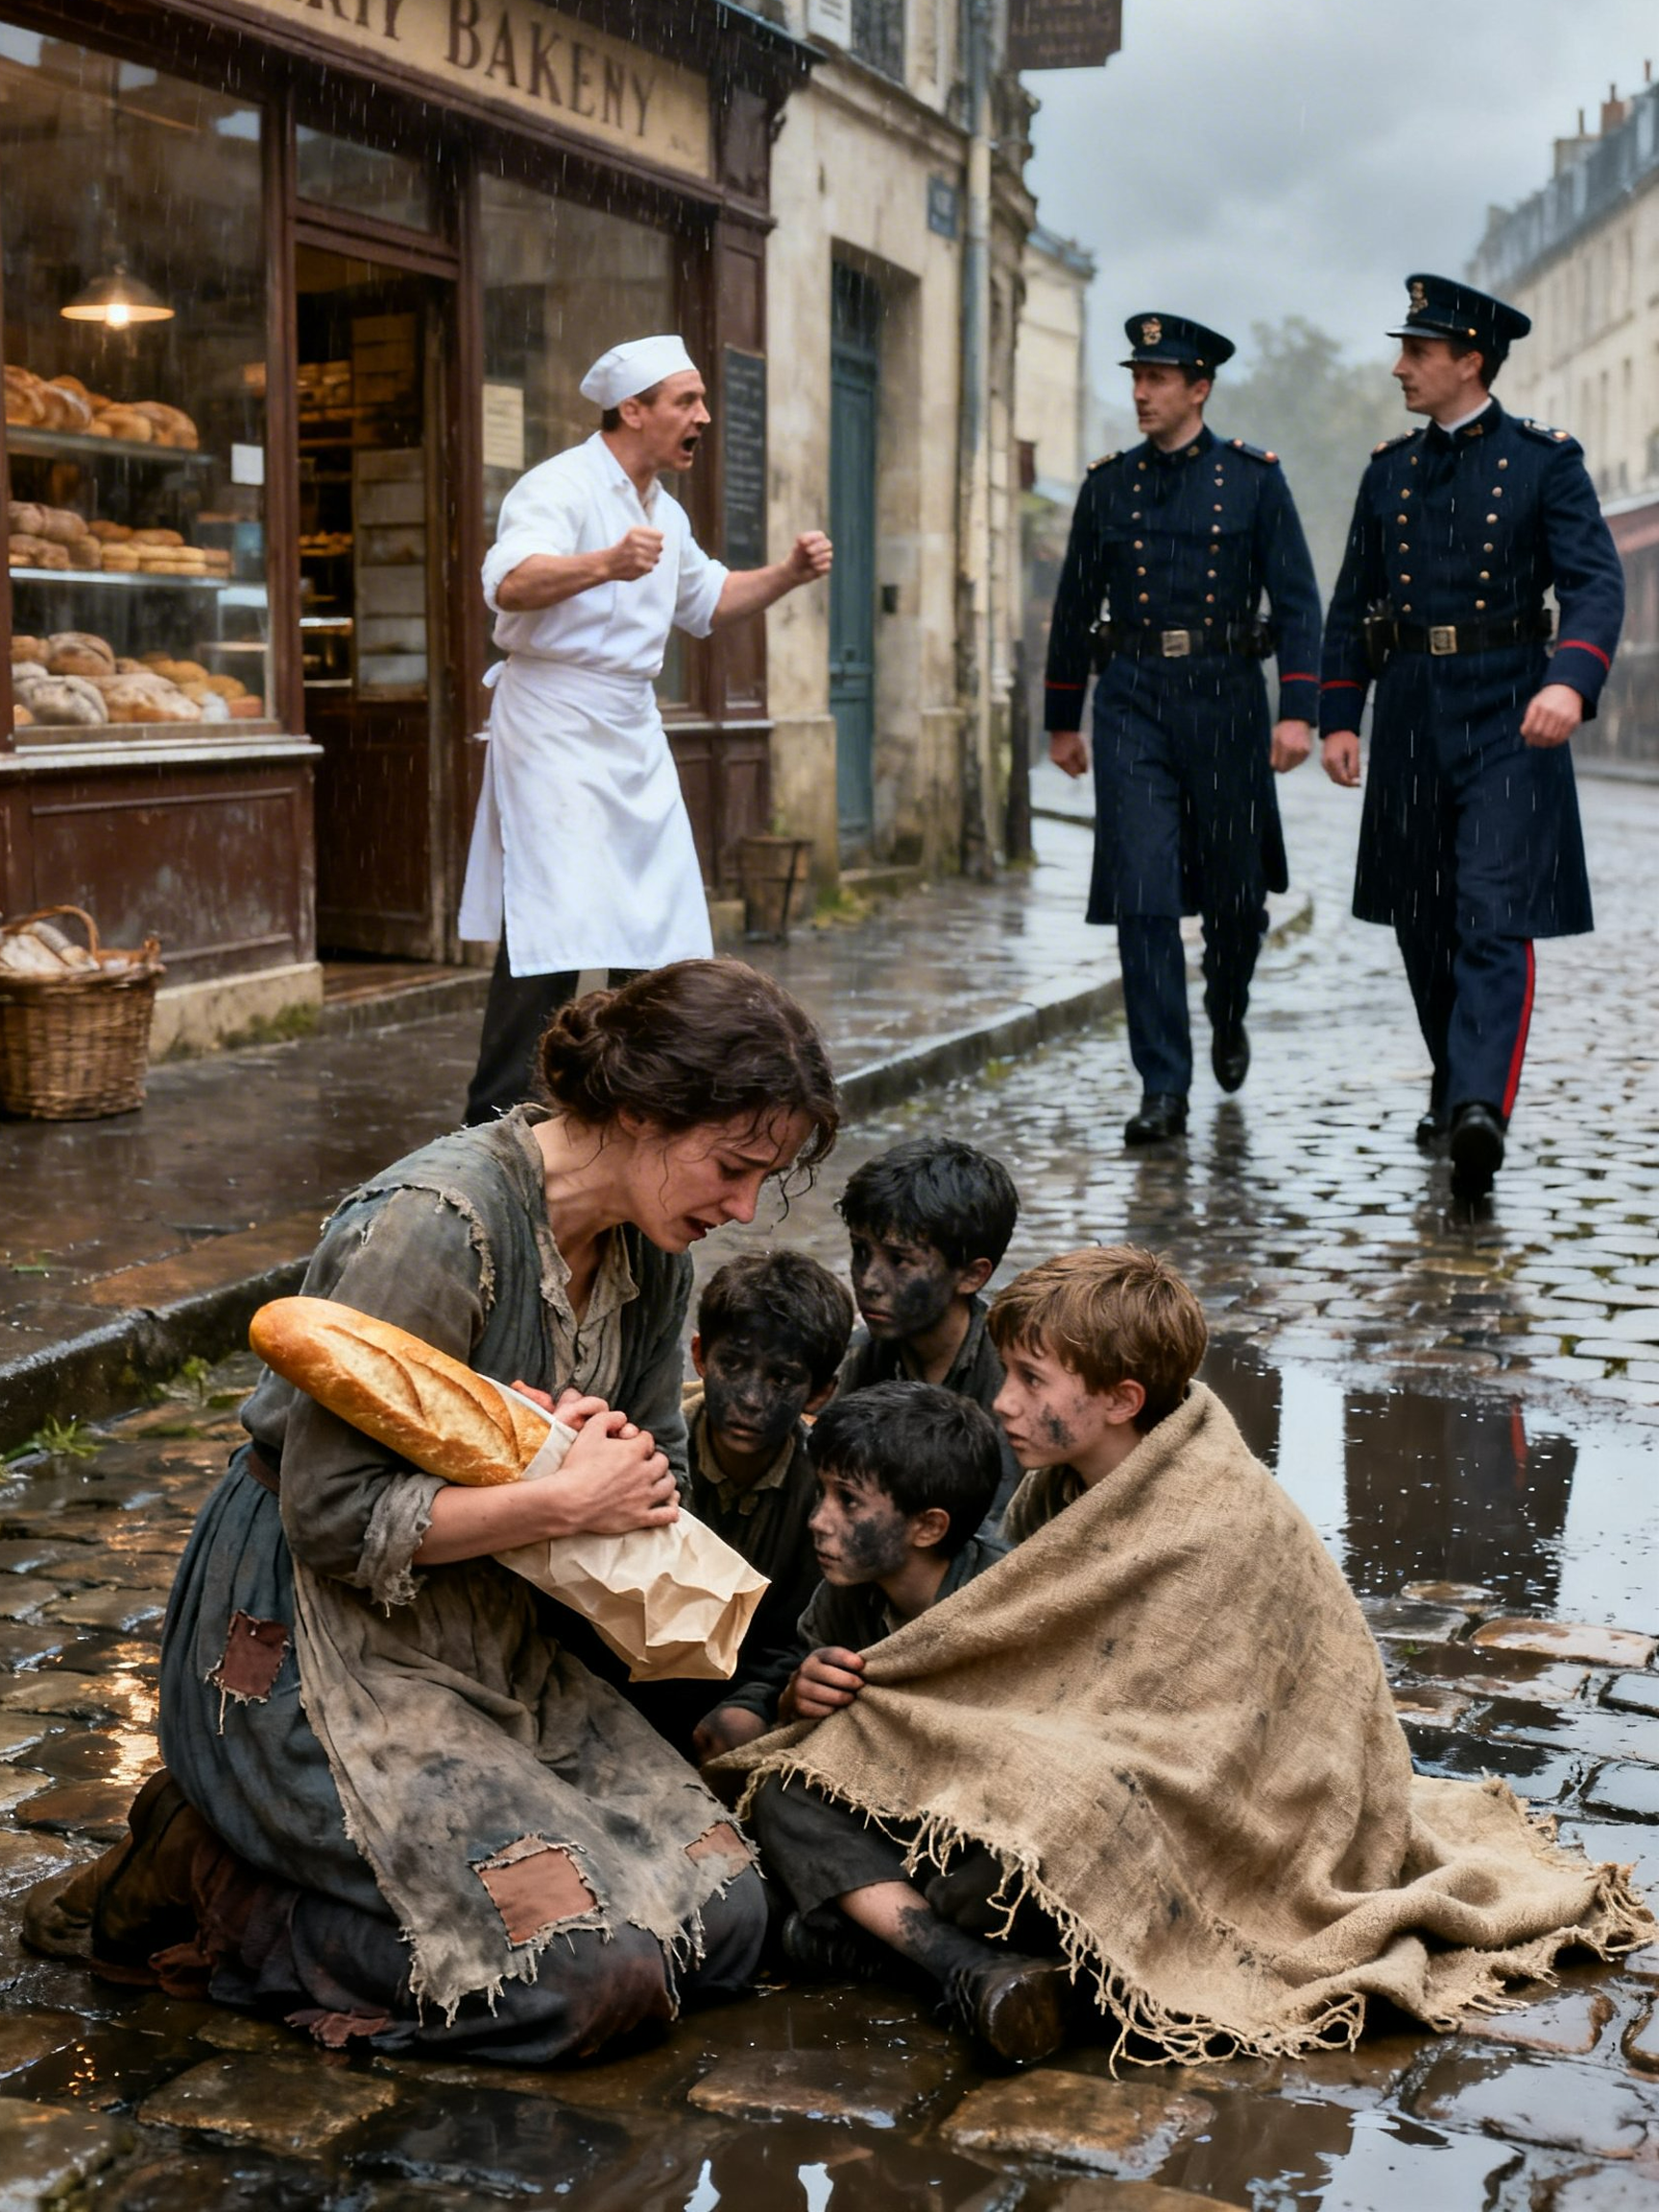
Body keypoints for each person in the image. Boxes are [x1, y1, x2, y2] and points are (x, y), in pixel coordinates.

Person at [25, 961, 839, 2066]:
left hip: (496, 1635)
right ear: (644, 1110)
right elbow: (328, 1513)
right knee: (591, 1980)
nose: (742, 1208)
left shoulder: (654, 1257)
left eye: (764, 1180)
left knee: (726, 1924)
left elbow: (654, 1479)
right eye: (732, 1167)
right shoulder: (433, 1225)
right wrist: (552, 1494)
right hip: (314, 1644)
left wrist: (611, 1464)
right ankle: (202, 1873)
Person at [715, 1245, 1648, 2068]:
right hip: (1072, 1781)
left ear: (1121, 1400)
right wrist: (833, 1694)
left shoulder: (1220, 1516)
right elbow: (1007, 1680)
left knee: (1055, 1837)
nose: (1003, 1401)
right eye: (1008, 1373)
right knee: (802, 1779)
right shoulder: (1052, 1494)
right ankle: (961, 1968)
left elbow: (1213, 1746)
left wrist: (1016, 1762)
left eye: (1034, 1381)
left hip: (1219, 1815)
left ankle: (855, 1935)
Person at [458, 334, 833, 1124]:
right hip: (554, 719)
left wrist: (788, 575)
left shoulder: (664, 509)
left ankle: (634, 1094)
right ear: (633, 410)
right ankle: (497, 1117)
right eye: (685, 401)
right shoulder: (557, 485)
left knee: (656, 916)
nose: (702, 415)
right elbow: (510, 583)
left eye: (701, 400)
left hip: (631, 723)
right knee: (552, 922)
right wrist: (603, 562)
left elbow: (708, 600)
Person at [1319, 275, 1624, 1202]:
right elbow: (1352, 603)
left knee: (1493, 914)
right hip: (1411, 705)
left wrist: (1571, 680)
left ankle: (1480, 1107)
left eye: (1417, 352)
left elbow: (1596, 584)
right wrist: (1339, 712)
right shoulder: (1389, 470)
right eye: (1402, 350)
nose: (1401, 368)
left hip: (1508, 708)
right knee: (1423, 919)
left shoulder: (1545, 463)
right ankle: (1457, 1083)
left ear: (1469, 362)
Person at [728, 1385, 1072, 2063]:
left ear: (929, 1526)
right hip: (901, 1823)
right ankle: (958, 1966)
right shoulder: (842, 1604)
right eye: (821, 1494)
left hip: (981, 1829)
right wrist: (798, 1702)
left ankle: (884, 1946)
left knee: (993, 1881)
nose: (818, 1521)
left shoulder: (1007, 1601)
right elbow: (829, 1752)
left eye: (848, 1502)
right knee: (779, 1796)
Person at [1044, 312, 1323, 1147]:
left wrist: (1300, 709)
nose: (1141, 391)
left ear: (1199, 388)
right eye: (1136, 375)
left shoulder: (1254, 481)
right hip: (1131, 698)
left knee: (1237, 901)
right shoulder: (1107, 486)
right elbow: (1071, 607)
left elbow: (1300, 604)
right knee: (1144, 896)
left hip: (1227, 701)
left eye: (1158, 378)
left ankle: (1227, 1001)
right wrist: (1064, 718)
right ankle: (1163, 1084)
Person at [673, 1251, 853, 1759]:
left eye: (781, 1379)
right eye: (733, 1365)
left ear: (819, 1392)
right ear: (701, 1356)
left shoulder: (826, 1490)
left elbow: (809, 1632)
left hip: (750, 1680)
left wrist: (761, 1701)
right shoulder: (653, 1449)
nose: (751, 1399)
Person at [832, 1137, 1022, 1514]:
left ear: (971, 1276)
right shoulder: (854, 1363)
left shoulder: (1010, 1386)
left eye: (900, 1260)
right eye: (860, 1251)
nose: (868, 1281)